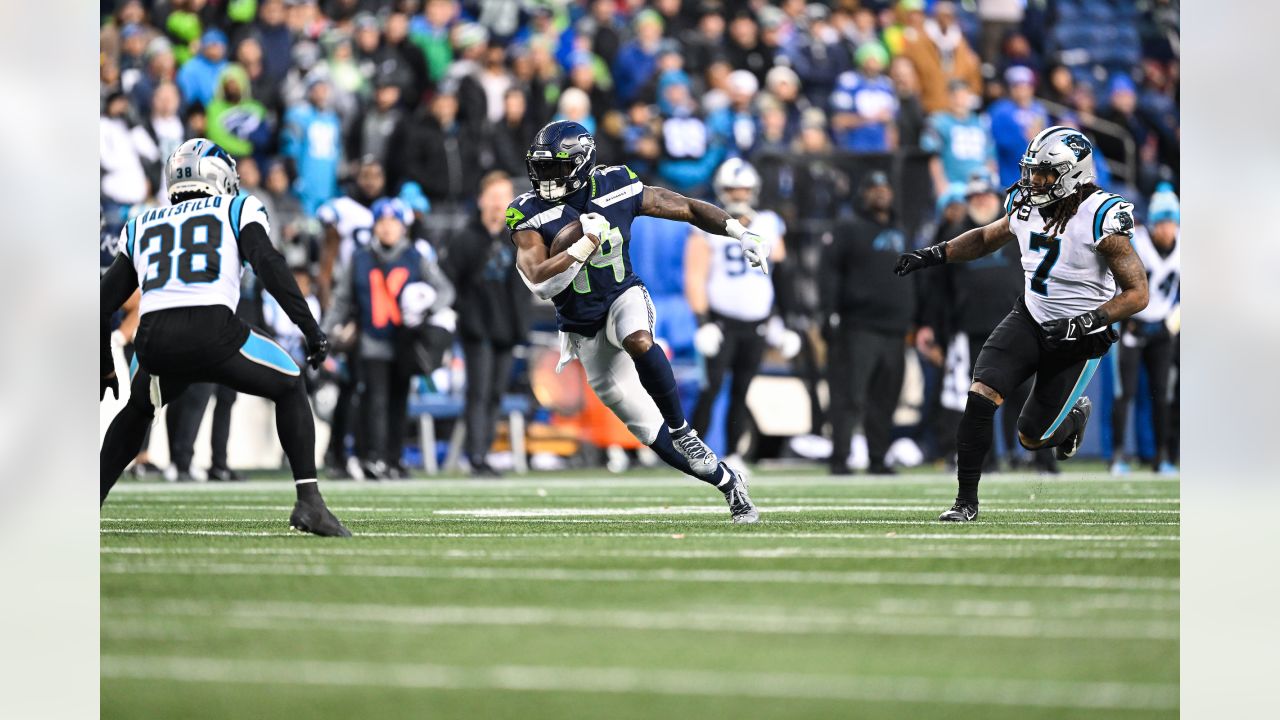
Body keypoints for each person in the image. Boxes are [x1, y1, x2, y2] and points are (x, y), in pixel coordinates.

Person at [508, 120, 761, 523]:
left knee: (639, 339)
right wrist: (583, 245)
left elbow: (688, 207)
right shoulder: (526, 212)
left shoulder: (616, 185)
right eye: (541, 167)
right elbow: (540, 281)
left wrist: (737, 230)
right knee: (648, 433)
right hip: (581, 329)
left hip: (624, 295)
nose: (545, 177)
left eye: (555, 167)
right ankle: (729, 483)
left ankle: (684, 430)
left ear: (581, 163)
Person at [895, 127, 1150, 521]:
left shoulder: (1100, 216)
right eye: (1031, 171)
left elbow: (1137, 294)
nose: (1034, 181)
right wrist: (934, 254)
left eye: (1045, 173)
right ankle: (965, 503)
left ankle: (1072, 418)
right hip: (1031, 317)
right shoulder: (1024, 204)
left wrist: (1086, 322)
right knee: (980, 395)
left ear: (1072, 174)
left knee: (1033, 437)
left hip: (1081, 337)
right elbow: (985, 238)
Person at [100, 138, 348, 536]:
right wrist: (310, 328)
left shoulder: (141, 221)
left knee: (138, 409)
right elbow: (268, 262)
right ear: (219, 175)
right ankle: (310, 503)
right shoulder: (237, 206)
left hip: (154, 343)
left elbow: (100, 302)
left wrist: (102, 366)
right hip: (212, 330)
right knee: (289, 382)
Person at [917, 172, 1058, 473]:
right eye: (975, 196)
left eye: (986, 195)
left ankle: (1037, 457)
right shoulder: (956, 233)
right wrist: (935, 330)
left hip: (1021, 325)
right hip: (973, 329)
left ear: (997, 197)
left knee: (1030, 394)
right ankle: (986, 460)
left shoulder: (1019, 230)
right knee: (980, 398)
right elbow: (937, 289)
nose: (981, 201)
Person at [324, 198, 456, 480]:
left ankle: (394, 458)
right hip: (372, 339)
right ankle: (375, 457)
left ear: (403, 226)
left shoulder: (415, 256)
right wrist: (324, 331)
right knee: (375, 401)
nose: (387, 228)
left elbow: (445, 291)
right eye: (382, 222)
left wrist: (427, 306)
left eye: (393, 222)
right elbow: (342, 300)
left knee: (398, 402)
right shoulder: (360, 257)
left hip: (406, 341)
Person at [686, 159, 793, 468]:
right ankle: (693, 456)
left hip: (757, 321)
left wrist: (783, 322)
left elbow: (781, 275)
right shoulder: (708, 226)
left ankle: (733, 454)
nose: (738, 194)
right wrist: (703, 322)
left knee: (743, 390)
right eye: (732, 189)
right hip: (721, 321)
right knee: (711, 389)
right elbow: (695, 276)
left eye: (743, 188)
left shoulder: (769, 223)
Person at [821, 171, 914, 475]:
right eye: (874, 188)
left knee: (885, 399)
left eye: (885, 187)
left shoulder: (901, 228)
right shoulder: (848, 227)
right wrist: (829, 313)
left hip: (896, 328)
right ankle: (840, 458)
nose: (881, 193)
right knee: (851, 395)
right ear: (863, 194)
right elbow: (829, 272)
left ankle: (878, 457)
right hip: (859, 325)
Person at [443, 171, 530, 477]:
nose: (497, 205)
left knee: (495, 393)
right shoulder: (465, 239)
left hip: (506, 326)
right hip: (477, 327)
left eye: (503, 198)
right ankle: (476, 455)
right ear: (481, 200)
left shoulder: (517, 237)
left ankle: (485, 450)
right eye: (492, 198)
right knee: (477, 392)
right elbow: (449, 280)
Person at [1111, 185, 1180, 475]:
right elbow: (1116, 279)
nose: (1167, 229)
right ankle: (1117, 456)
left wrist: (1172, 323)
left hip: (1163, 328)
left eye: (1172, 222)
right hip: (1133, 324)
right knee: (1124, 392)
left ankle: (1161, 457)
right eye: (1162, 222)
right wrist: (1124, 316)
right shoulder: (1136, 242)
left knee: (1161, 394)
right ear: (1152, 223)